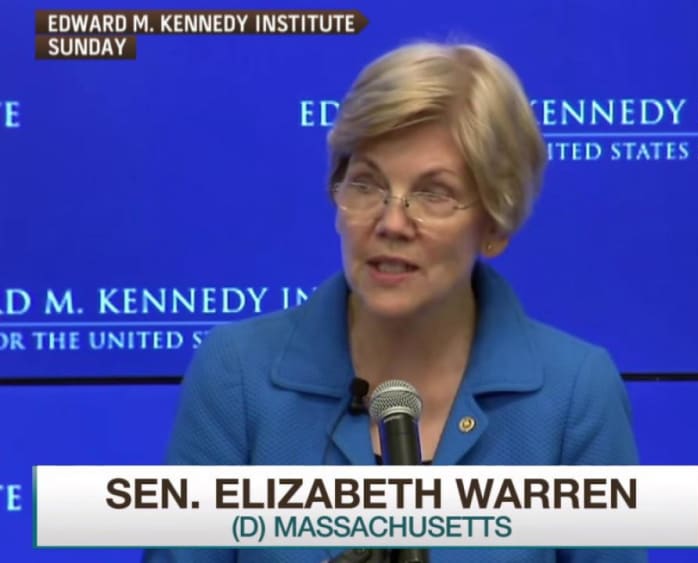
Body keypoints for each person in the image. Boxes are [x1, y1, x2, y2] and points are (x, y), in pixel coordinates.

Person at [143, 41, 645, 563]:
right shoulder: (238, 376)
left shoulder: (573, 396)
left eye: (434, 193)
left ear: (495, 223)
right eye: (366, 185)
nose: (391, 223)